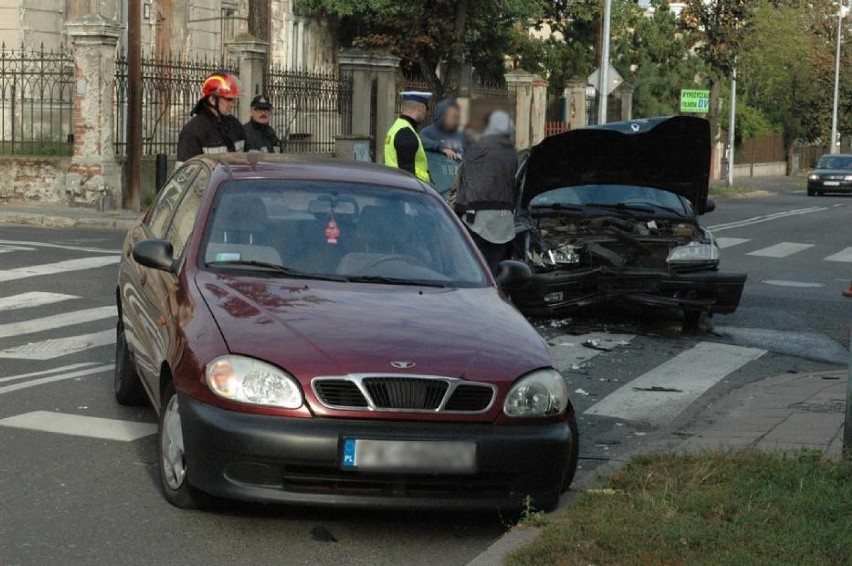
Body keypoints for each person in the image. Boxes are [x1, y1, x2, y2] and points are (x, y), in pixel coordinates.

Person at [455, 110, 518, 274]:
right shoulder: (510, 151)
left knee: (475, 270)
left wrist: (459, 210)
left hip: (477, 220)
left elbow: (468, 182)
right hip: (504, 221)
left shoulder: (478, 148)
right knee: (497, 270)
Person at [176, 72, 246, 165]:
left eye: (233, 100)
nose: (232, 104)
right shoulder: (193, 131)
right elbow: (186, 174)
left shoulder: (235, 125)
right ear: (212, 99)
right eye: (228, 99)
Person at [384, 91, 432, 182]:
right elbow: (407, 174)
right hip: (410, 189)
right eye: (427, 109)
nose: (426, 113)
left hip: (395, 184)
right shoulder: (406, 133)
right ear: (421, 108)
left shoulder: (397, 127)